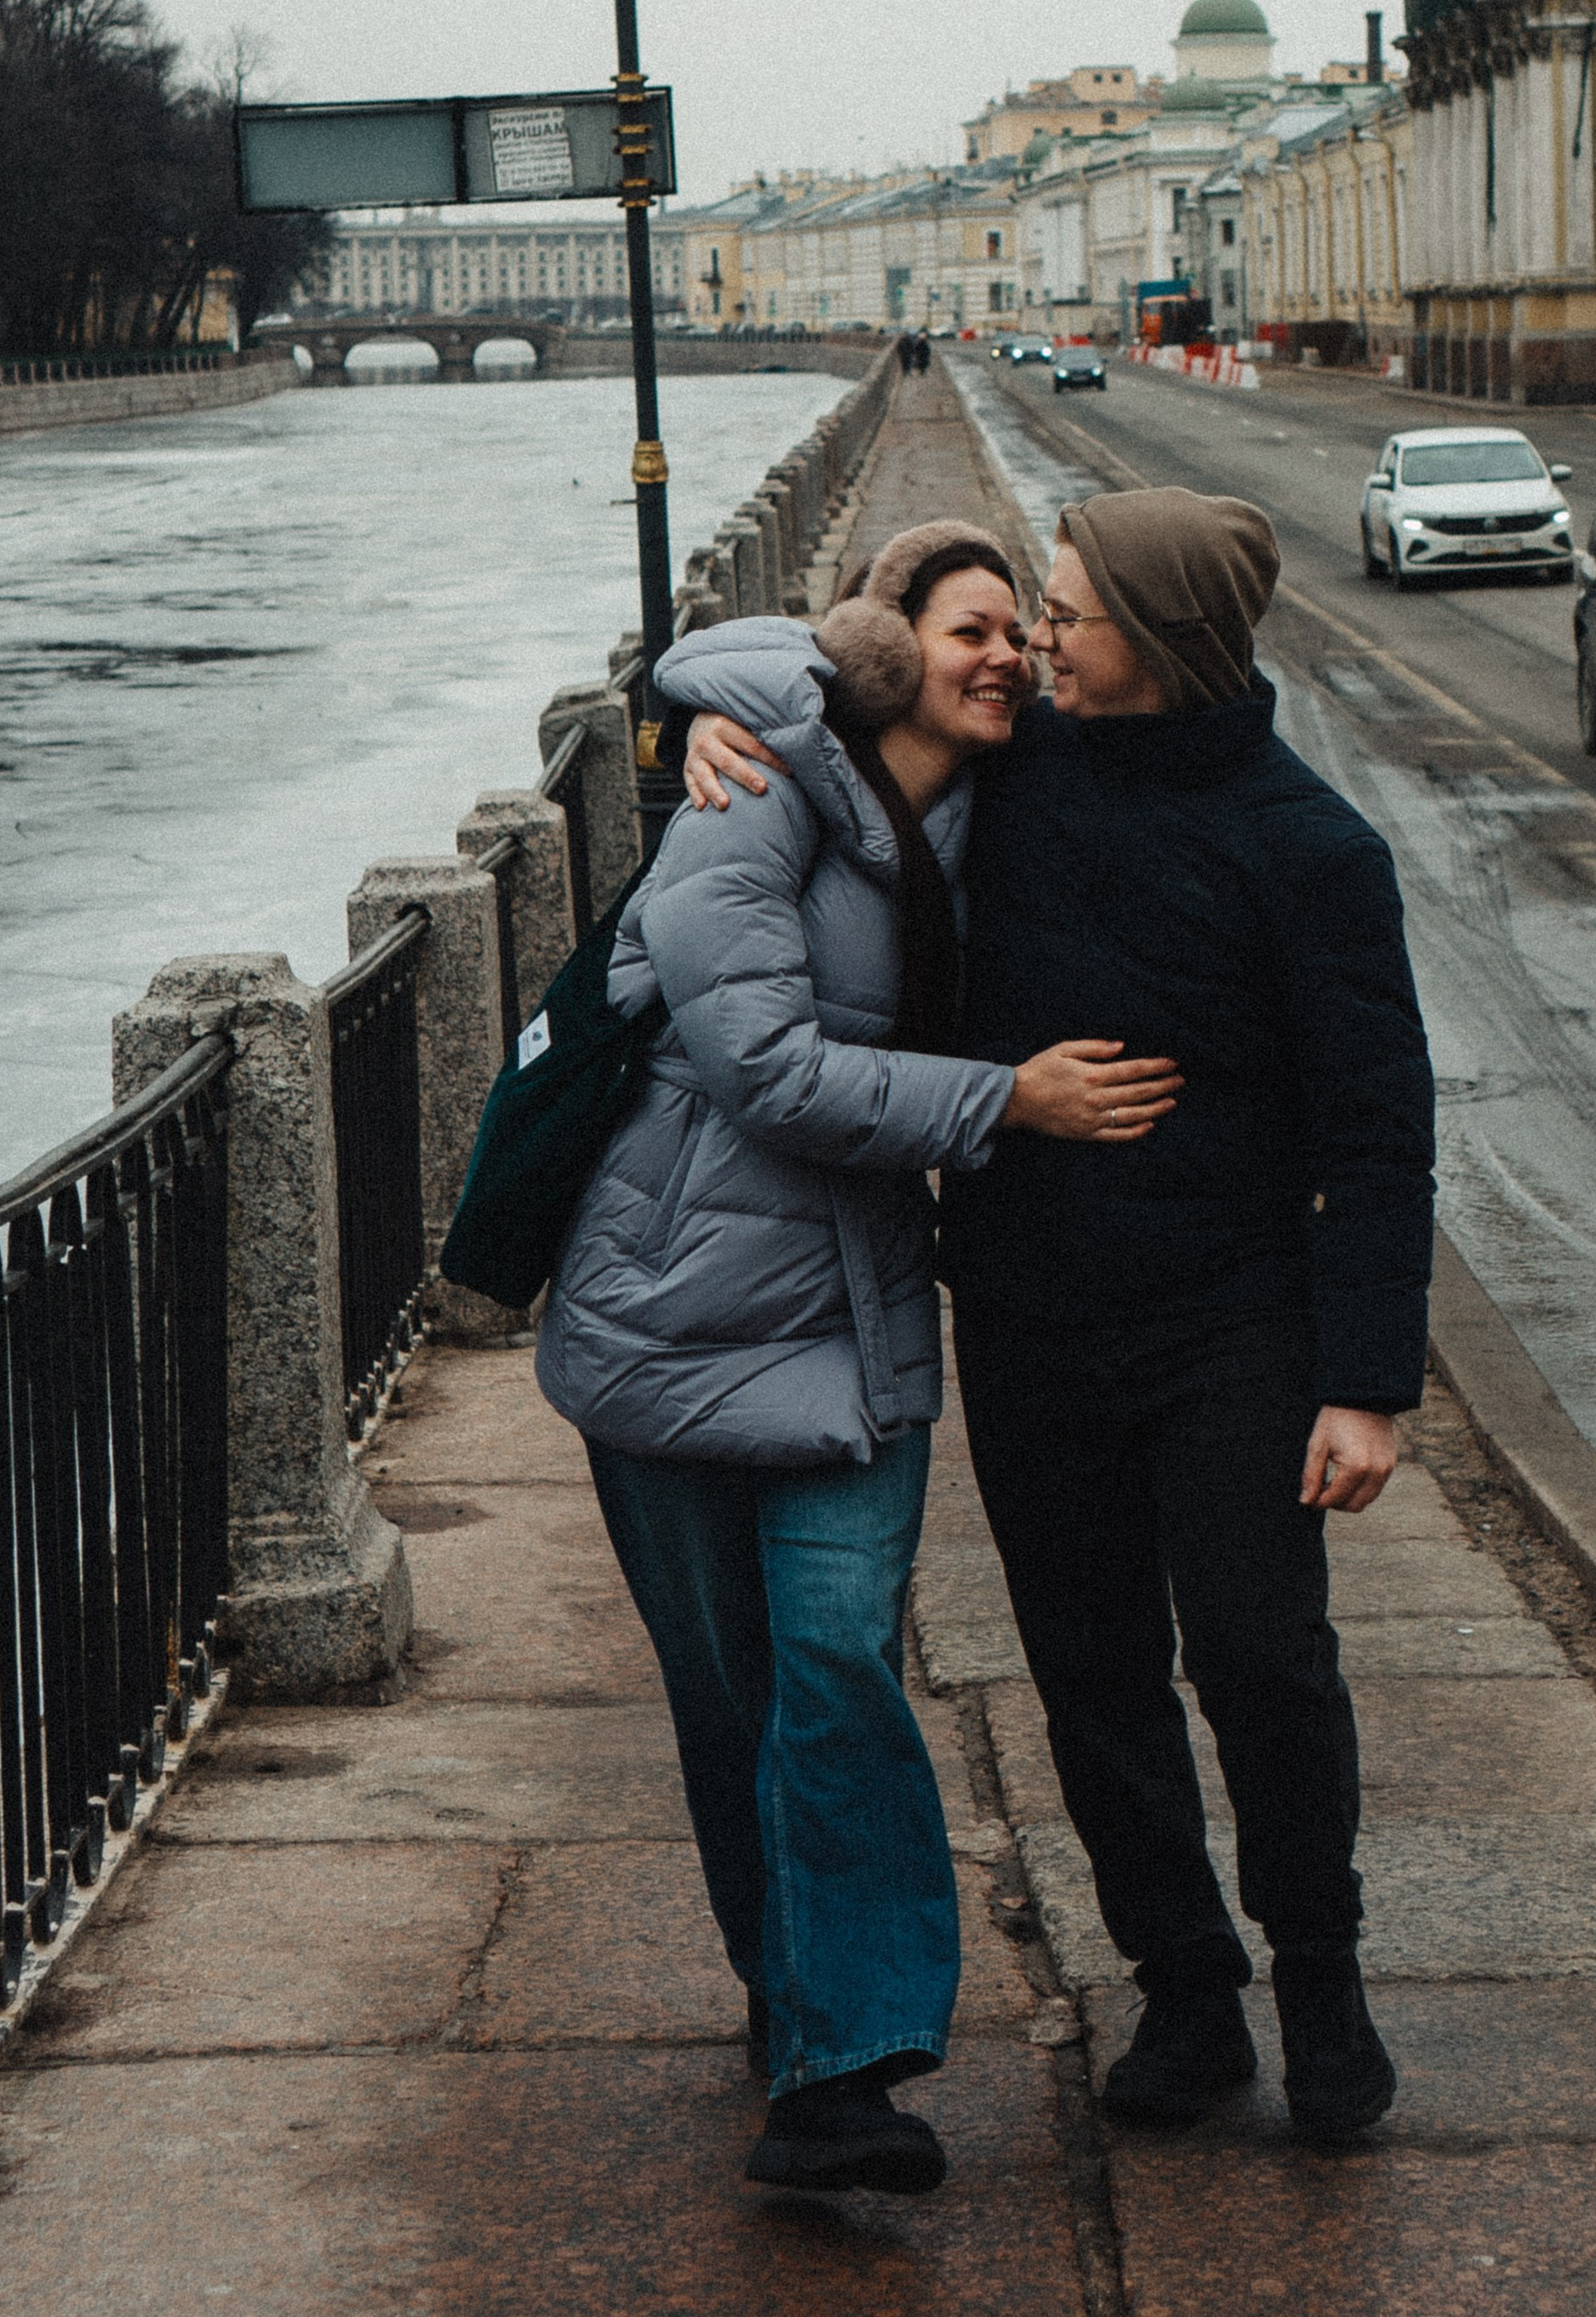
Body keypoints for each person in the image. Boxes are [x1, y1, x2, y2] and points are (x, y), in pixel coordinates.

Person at [684, 484, 1437, 2147]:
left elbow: (1381, 1130)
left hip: (1237, 1328)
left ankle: (1324, 1988)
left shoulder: (1313, 851)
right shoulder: (1012, 780)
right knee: (1091, 1675)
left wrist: (1367, 1385)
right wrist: (711, 736)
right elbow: (788, 672)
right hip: (1031, 1319)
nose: (1034, 642)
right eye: (1032, 612)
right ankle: (1184, 1992)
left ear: (1159, 639)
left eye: (1070, 615)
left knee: (1264, 1666)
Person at [537, 520, 1178, 2199]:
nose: (1004, 661)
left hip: (857, 1320)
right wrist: (1002, 1101)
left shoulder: (1011, 808)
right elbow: (762, 1066)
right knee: (729, 1693)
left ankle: (846, 2075)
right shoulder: (742, 803)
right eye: (969, 631)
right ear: (882, 649)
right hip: (668, 1315)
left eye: (1019, 639)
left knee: (837, 1671)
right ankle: (790, 2001)